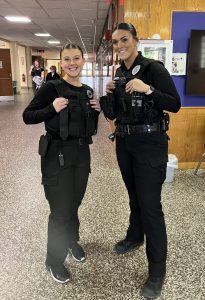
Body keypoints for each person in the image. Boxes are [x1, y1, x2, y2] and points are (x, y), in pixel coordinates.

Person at [100, 23, 181, 299]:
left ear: (135, 40)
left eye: (124, 39)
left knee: (150, 206)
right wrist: (109, 91)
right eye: (115, 42)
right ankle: (135, 236)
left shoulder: (153, 69)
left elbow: (174, 103)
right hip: (125, 143)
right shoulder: (120, 72)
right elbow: (115, 112)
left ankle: (157, 270)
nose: (119, 45)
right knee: (134, 197)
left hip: (150, 145)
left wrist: (148, 90)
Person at [23, 43, 100, 284]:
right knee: (59, 210)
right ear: (61, 62)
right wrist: (50, 108)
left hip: (81, 154)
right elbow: (28, 116)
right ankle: (53, 261)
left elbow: (85, 123)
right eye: (67, 59)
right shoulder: (51, 87)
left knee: (74, 203)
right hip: (56, 156)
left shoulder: (87, 91)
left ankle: (70, 241)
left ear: (82, 61)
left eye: (76, 58)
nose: (72, 63)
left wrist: (96, 109)